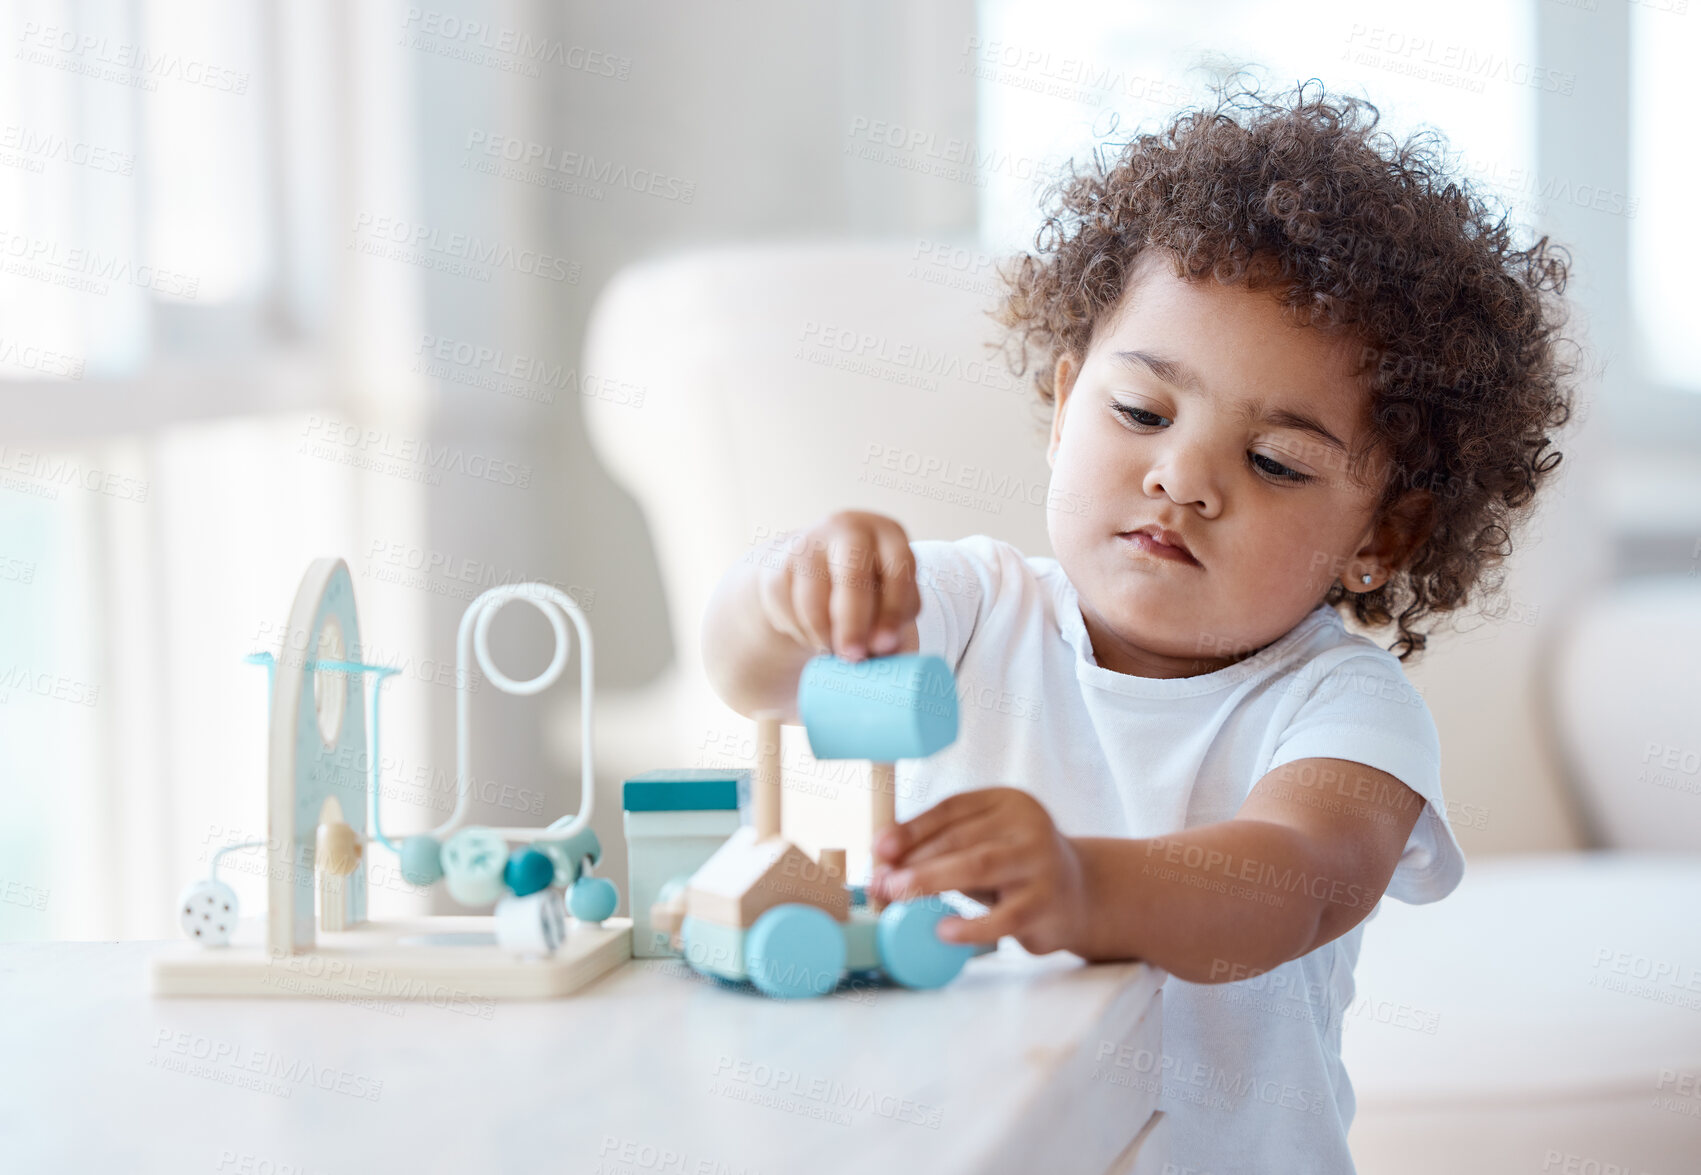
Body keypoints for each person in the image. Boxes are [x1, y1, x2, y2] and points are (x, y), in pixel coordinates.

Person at [699, 79, 1578, 1173]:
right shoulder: (974, 605)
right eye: (1141, 412)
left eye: (1274, 462)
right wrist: (792, 581)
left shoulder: (1343, 704)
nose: (1183, 478)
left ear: (1384, 537)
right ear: (1065, 407)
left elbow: (1299, 877)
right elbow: (753, 671)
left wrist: (1084, 884)